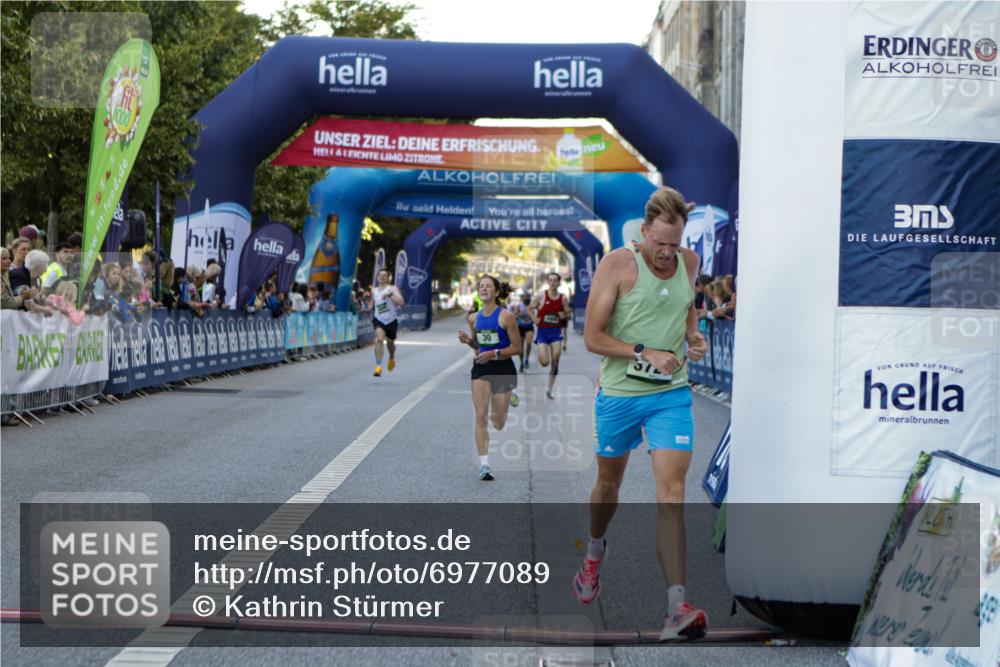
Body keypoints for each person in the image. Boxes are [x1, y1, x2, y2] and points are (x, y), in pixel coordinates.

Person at [573, 187, 710, 641]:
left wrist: (692, 337)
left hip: (670, 394)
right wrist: (642, 351)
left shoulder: (689, 263)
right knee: (608, 486)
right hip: (619, 394)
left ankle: (676, 608)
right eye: (660, 243)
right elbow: (592, 337)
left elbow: (686, 309)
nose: (668, 253)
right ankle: (594, 552)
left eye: (675, 244)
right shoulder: (618, 264)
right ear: (644, 231)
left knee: (672, 495)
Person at [457, 275, 521, 481]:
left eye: (488, 286)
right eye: (480, 286)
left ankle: (508, 397)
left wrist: (494, 353)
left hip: (503, 368)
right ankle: (484, 465)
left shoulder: (506, 317)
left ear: (496, 292)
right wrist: (469, 341)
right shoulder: (473, 318)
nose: (484, 289)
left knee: (498, 422)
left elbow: (517, 348)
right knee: (481, 415)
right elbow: (478, 347)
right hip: (482, 368)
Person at [529, 272, 572, 399]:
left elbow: (568, 314)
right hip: (542, 333)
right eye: (550, 280)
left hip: (556, 333)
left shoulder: (563, 298)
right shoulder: (541, 296)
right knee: (544, 362)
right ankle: (545, 360)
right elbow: (530, 308)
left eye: (555, 280)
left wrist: (565, 315)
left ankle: (549, 388)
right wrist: (534, 319)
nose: (553, 283)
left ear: (559, 282)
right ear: (548, 282)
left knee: (555, 360)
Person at [371, 268, 403, 376]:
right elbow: (373, 304)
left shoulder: (392, 288)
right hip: (379, 319)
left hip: (391, 320)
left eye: (384, 275)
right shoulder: (374, 290)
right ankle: (378, 366)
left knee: (390, 343)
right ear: (377, 277)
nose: (382, 277)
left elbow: (401, 302)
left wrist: (390, 295)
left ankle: (392, 357)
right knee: (379, 339)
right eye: (380, 275)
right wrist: (368, 308)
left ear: (388, 277)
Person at [509, 291, 535, 373]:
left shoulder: (532, 306)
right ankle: (521, 363)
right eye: (525, 297)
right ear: (522, 298)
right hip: (520, 328)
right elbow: (513, 315)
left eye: (528, 297)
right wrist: (518, 315)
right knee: (520, 348)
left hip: (529, 327)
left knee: (528, 343)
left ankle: (527, 357)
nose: (527, 298)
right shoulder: (519, 306)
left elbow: (535, 316)